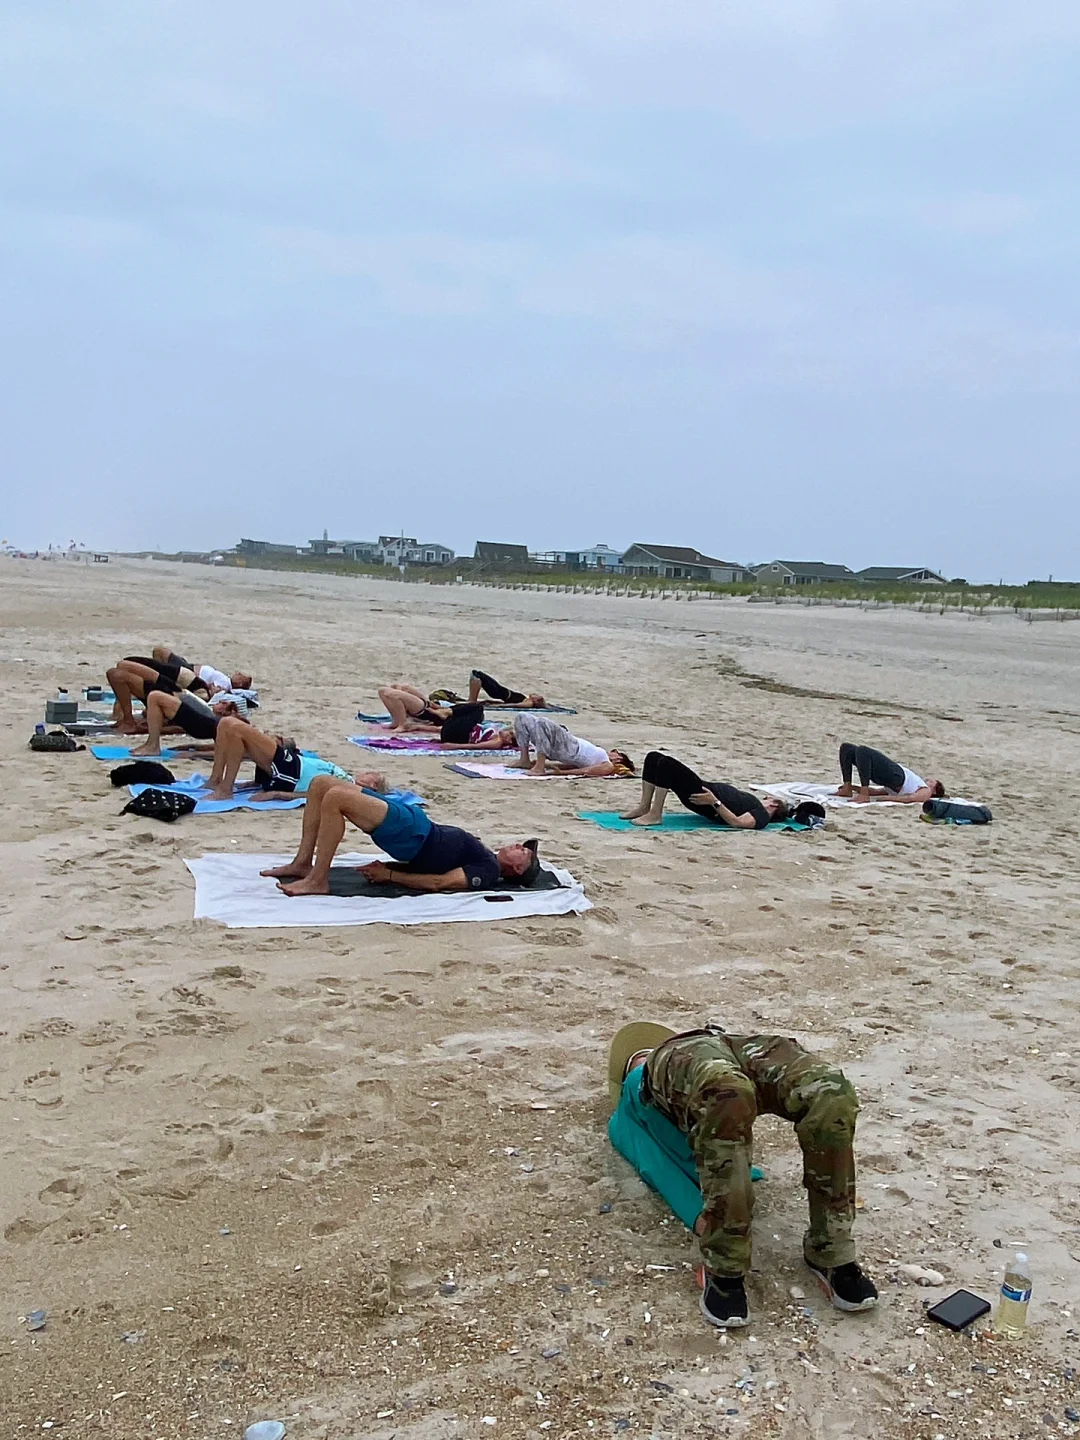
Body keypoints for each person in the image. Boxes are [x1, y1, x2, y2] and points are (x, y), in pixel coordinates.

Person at [609, 1022, 878, 1329]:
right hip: (716, 1063)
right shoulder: (633, 1093)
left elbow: (657, 1156)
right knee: (728, 1095)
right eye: (636, 1058)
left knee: (830, 1091)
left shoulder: (673, 1063)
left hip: (726, 1046)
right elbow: (649, 1159)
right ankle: (726, 1267)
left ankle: (832, 1250)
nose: (638, 1059)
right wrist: (696, 1212)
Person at [261, 775, 542, 896]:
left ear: (517, 868)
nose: (518, 845)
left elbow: (439, 882)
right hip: (415, 824)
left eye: (523, 851)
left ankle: (318, 879)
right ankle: (302, 862)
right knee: (320, 784)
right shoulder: (485, 856)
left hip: (414, 836)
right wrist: (390, 868)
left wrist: (390, 876)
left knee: (335, 797)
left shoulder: (489, 870)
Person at [204, 717, 354, 801]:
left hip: (293, 772)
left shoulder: (352, 788)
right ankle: (216, 779)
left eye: (371, 777)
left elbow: (318, 794)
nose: (367, 775)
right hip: (291, 763)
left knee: (233, 727)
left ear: (373, 785)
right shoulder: (347, 778)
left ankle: (225, 788)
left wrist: (277, 794)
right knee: (224, 724)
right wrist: (258, 783)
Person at [620, 752, 788, 826]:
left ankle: (655, 814)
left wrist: (715, 802)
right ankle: (644, 807)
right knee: (653, 758)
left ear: (774, 804)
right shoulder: (756, 806)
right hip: (705, 792)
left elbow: (739, 823)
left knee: (666, 764)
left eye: (768, 798)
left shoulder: (762, 814)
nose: (765, 798)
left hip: (705, 799)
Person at [128, 690, 245, 757]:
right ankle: (151, 744)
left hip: (202, 726)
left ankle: (152, 746)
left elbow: (234, 751)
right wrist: (193, 747)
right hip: (204, 726)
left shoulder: (241, 727)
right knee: (155, 697)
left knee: (155, 697)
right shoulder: (234, 726)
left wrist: (195, 754)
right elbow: (223, 747)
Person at [511, 714, 633, 777]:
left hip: (572, 747)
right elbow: (569, 765)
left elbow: (586, 771)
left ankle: (539, 767)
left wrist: (560, 774)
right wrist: (551, 765)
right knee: (522, 717)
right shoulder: (598, 758)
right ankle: (524, 760)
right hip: (567, 748)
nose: (612, 752)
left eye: (615, 752)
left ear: (618, 758)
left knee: (543, 722)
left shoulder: (607, 764)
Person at [106, 655, 203, 733]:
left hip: (175, 698)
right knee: (122, 666)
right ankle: (127, 719)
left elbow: (182, 727)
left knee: (115, 674)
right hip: (178, 693)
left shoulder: (207, 718)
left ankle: (128, 721)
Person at [836, 744, 945, 805]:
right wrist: (855, 787)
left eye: (932, 782)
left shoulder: (925, 791)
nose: (928, 780)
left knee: (863, 751)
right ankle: (847, 788)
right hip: (889, 778)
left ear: (934, 790)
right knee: (847, 748)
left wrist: (889, 798)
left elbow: (910, 798)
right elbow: (876, 792)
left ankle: (863, 796)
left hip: (898, 776)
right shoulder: (915, 784)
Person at [151, 648, 253, 693]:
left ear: (239, 684)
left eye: (240, 675)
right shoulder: (226, 680)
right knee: (165, 658)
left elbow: (213, 689)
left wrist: (196, 676)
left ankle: (156, 678)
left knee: (160, 651)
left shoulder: (226, 684)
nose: (237, 673)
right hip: (190, 669)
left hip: (189, 673)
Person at [466, 669, 546, 708]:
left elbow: (515, 705)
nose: (532, 695)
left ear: (537, 702)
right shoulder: (530, 700)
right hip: (501, 693)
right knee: (477, 675)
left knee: (476, 675)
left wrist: (497, 706)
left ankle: (472, 701)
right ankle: (472, 700)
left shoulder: (529, 703)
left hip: (500, 693)